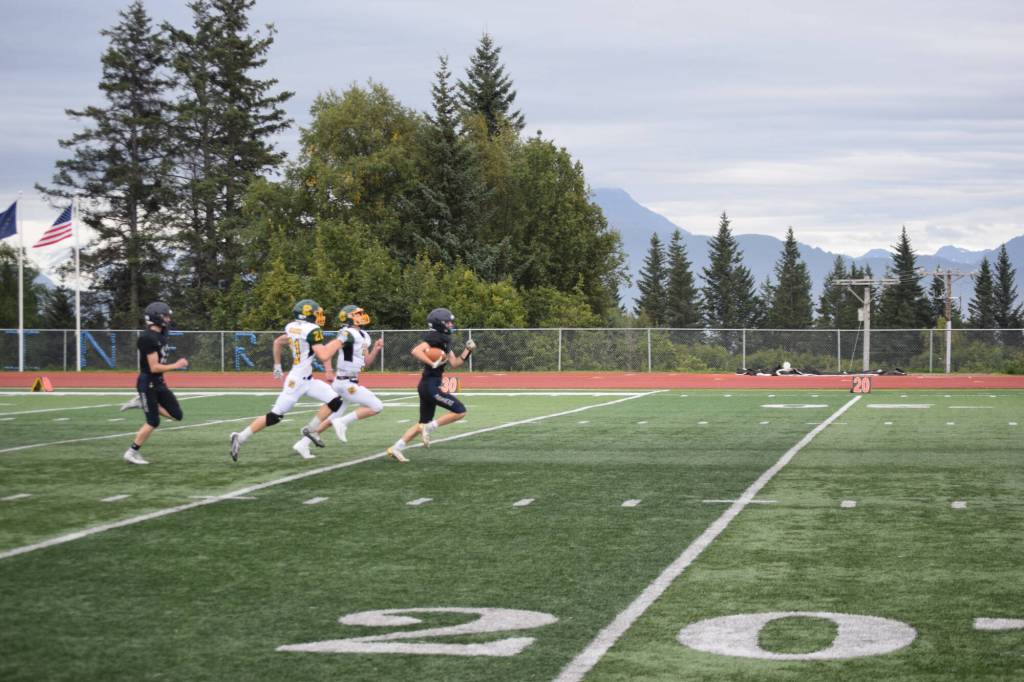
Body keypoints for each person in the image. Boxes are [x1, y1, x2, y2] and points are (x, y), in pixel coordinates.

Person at [229, 299, 344, 462]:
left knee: (335, 401)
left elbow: (278, 342)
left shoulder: (292, 327)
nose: (319, 315)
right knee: (275, 416)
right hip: (296, 382)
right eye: (316, 312)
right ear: (306, 315)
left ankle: (310, 430)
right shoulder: (312, 329)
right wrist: (340, 340)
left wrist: (277, 365)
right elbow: (324, 355)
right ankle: (240, 437)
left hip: (308, 380)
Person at [386, 307, 476, 463]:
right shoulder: (436, 337)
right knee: (460, 411)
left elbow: (455, 363)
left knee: (422, 423)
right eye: (448, 322)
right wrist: (432, 363)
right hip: (430, 386)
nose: (451, 325)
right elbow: (415, 351)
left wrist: (468, 351)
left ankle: (396, 448)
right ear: (440, 323)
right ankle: (429, 428)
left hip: (428, 385)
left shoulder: (443, 339)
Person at [293, 305, 384, 457]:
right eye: (358, 314)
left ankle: (302, 444)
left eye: (361, 313)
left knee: (332, 417)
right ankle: (342, 423)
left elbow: (366, 363)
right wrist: (328, 370)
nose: (362, 315)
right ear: (348, 317)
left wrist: (376, 349)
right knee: (377, 406)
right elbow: (327, 352)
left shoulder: (364, 335)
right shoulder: (347, 333)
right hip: (345, 382)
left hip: (349, 381)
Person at [121, 301, 189, 465]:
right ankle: (131, 453)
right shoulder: (147, 338)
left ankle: (141, 404)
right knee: (153, 421)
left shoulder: (161, 335)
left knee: (176, 415)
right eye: (165, 315)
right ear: (157, 317)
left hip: (158, 382)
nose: (168, 318)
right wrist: (177, 366)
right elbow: (154, 367)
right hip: (147, 382)